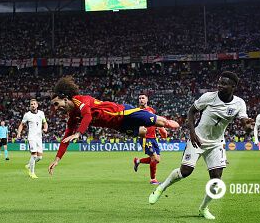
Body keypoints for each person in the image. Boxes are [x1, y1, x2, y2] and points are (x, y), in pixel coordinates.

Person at [148, 71, 253, 220]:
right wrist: (192, 132)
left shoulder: (239, 103)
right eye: (220, 83)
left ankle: (203, 208)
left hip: (216, 143)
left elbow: (244, 121)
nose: (220, 86)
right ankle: (161, 188)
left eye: (225, 84)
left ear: (233, 86)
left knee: (216, 179)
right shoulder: (209, 97)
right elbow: (191, 111)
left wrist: (247, 127)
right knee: (186, 171)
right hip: (198, 138)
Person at [48, 76, 179, 175]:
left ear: (65, 99)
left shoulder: (80, 100)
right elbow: (66, 138)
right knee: (143, 133)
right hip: (119, 126)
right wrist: (57, 159)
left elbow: (87, 116)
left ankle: (163, 125)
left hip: (123, 112)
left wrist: (78, 133)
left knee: (165, 123)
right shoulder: (72, 117)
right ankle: (150, 135)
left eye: (56, 104)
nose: (56, 108)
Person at [132, 93, 168, 184]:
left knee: (157, 160)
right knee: (154, 158)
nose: (141, 100)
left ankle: (138, 161)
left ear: (147, 100)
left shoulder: (151, 110)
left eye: (143, 98)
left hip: (153, 138)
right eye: (139, 98)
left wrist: (161, 129)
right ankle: (153, 179)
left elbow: (156, 121)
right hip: (145, 138)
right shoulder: (136, 112)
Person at [17, 99, 47, 178]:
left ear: (37, 105)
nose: (33, 105)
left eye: (34, 104)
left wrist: (45, 128)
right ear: (30, 106)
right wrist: (19, 133)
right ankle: (32, 173)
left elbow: (45, 123)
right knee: (34, 155)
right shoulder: (27, 115)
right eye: (31, 104)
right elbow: (22, 124)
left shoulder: (41, 113)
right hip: (32, 137)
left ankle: (29, 165)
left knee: (39, 157)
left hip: (39, 137)